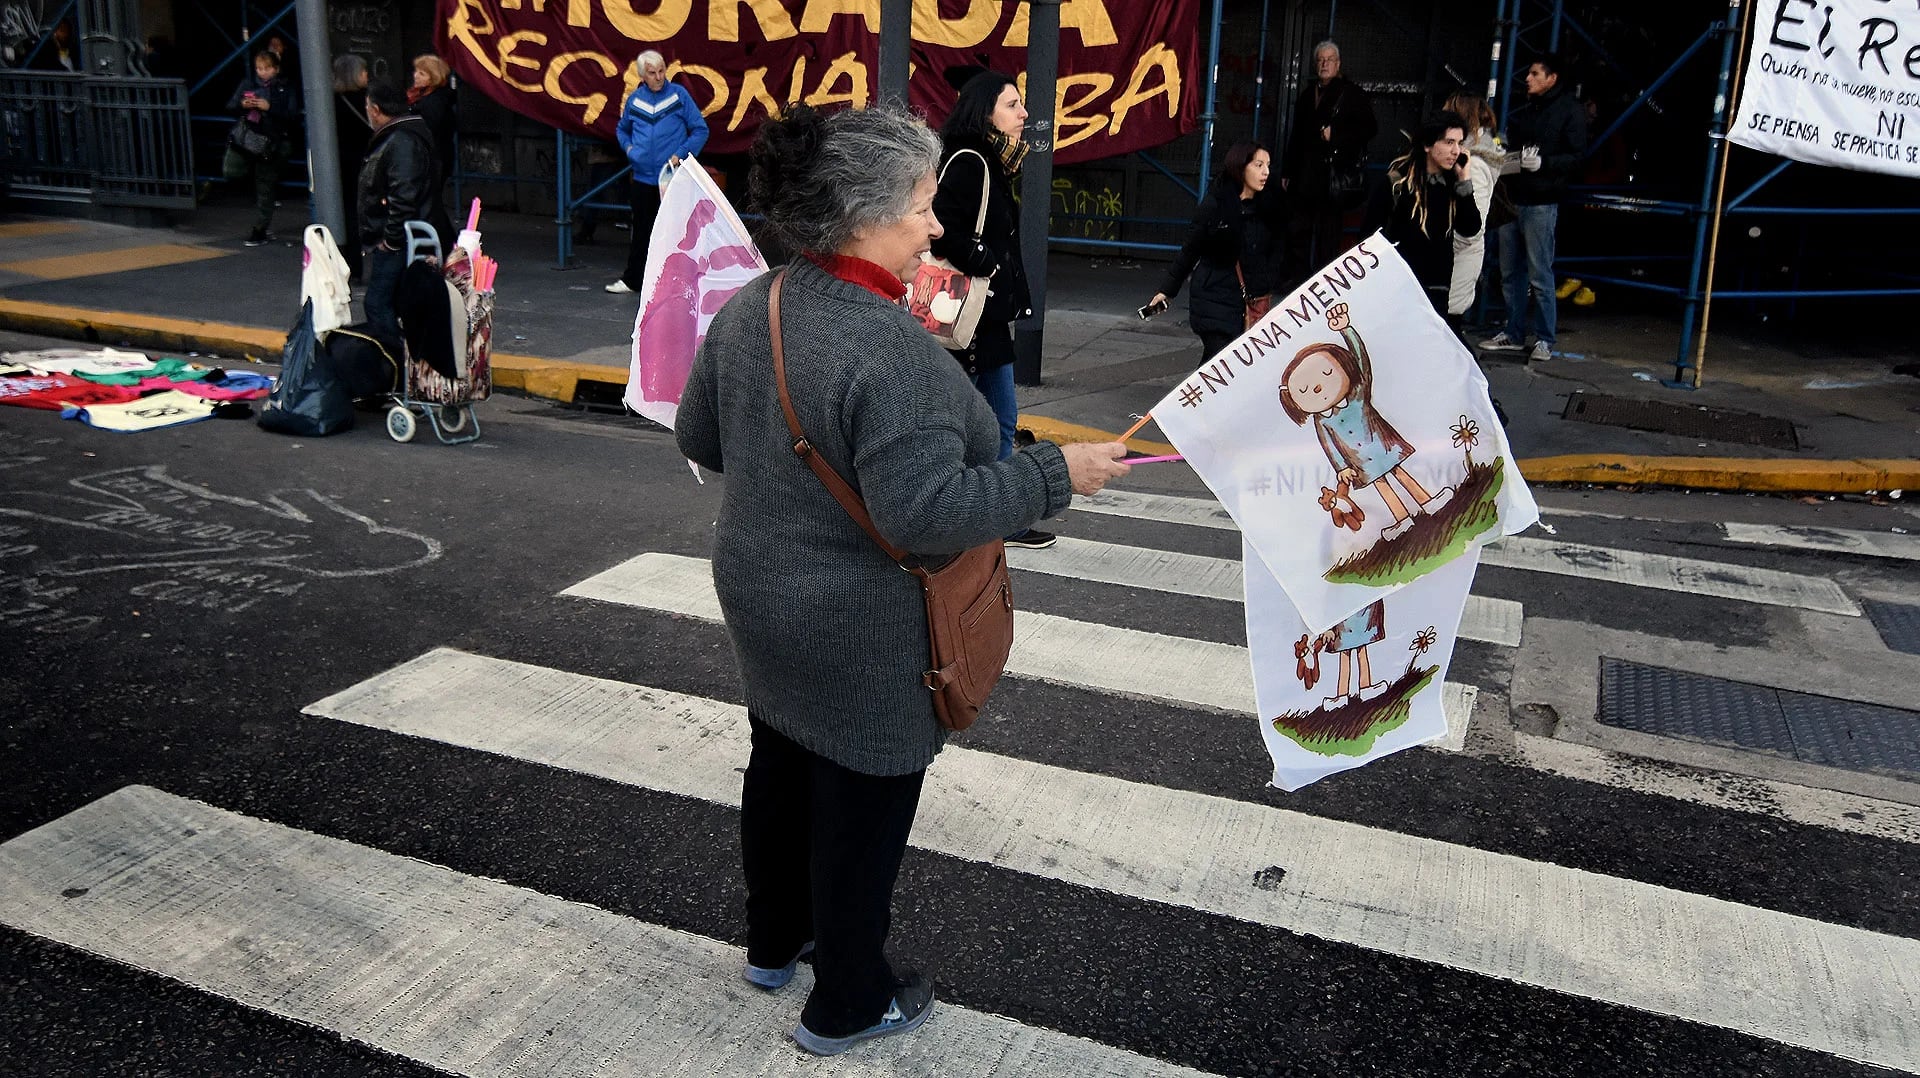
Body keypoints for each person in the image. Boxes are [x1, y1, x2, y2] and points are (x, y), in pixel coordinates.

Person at [674, 102, 1133, 1058]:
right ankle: (847, 1000)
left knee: (781, 766)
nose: (934, 224)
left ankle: (771, 945)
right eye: (923, 206)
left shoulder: (751, 303)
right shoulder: (895, 354)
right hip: (862, 628)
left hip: (760, 598)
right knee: (862, 808)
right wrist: (1059, 476)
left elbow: (699, 439)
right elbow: (925, 516)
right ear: (863, 218)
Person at [929, 69, 1052, 549]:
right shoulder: (971, 161)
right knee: (987, 422)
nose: (1024, 114)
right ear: (985, 113)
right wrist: (985, 264)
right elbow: (941, 226)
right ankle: (984, 521)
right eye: (1013, 105)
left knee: (994, 421)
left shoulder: (994, 163)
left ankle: (996, 521)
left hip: (987, 317)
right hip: (971, 318)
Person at [1480, 52, 1587, 363]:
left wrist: (1545, 164)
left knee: (1539, 274)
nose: (1528, 79)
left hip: (1541, 201)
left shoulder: (1569, 111)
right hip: (1515, 198)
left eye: (1535, 74)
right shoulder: (1530, 108)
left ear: (1551, 78)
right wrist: (1501, 151)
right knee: (1510, 272)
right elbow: (1512, 145)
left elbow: (1578, 156)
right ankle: (1514, 333)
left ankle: (1544, 339)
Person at [1149, 141, 1286, 364]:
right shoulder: (1216, 205)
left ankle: (1201, 397)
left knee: (1227, 365)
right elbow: (1190, 250)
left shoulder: (1270, 207)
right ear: (1241, 167)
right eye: (1259, 165)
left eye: (1268, 166)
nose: (1266, 172)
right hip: (1213, 296)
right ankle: (1199, 397)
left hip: (1248, 301)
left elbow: (1277, 249)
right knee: (1219, 359)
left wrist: (1268, 278)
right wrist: (1167, 291)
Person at [607, 50, 708, 294]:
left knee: (676, 233)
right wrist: (630, 150)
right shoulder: (635, 100)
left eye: (661, 70)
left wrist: (681, 154)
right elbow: (622, 130)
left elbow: (700, 130)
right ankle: (634, 280)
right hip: (642, 178)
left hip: (671, 178)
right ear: (643, 75)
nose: (659, 76)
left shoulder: (679, 96)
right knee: (641, 232)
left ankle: (678, 284)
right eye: (652, 73)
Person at [1281, 41, 1376, 284]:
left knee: (1328, 234)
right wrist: (1288, 170)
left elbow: (1370, 128)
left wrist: (1338, 135)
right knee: (1297, 230)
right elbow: (1296, 136)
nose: (1324, 64)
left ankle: (1323, 282)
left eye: (1329, 59)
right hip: (1304, 175)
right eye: (1320, 60)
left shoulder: (1351, 94)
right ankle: (1298, 280)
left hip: (1332, 176)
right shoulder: (1306, 94)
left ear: (1338, 64)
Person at [1375, 111, 1481, 325]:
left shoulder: (1453, 185)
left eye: (1459, 143)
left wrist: (1464, 181)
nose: (1456, 151)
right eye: (1449, 142)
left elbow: (1470, 228)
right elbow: (1369, 238)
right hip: (1398, 288)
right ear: (1428, 145)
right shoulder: (1397, 184)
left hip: (1437, 290)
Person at [357, 77, 437, 352]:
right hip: (401, 236)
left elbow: (403, 198)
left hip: (398, 240)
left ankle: (395, 366)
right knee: (390, 302)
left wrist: (389, 240)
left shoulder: (401, 141)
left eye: (367, 106)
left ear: (376, 109)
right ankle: (399, 366)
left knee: (377, 303)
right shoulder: (402, 135)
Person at [224, 48, 297, 246]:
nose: (262, 72)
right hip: (249, 137)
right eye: (259, 68)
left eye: (266, 68)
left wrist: (269, 107)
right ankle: (259, 215)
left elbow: (292, 114)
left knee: (265, 184)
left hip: (271, 141)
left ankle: (260, 227)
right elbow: (230, 106)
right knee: (231, 170)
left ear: (276, 69)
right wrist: (243, 104)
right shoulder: (248, 83)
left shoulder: (285, 86)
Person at [1441, 93, 1501, 323]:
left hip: (1458, 261)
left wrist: (1440, 245)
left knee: (1450, 331)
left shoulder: (1473, 165)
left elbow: (1473, 227)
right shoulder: (1467, 160)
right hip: (1456, 259)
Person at [408, 54, 458, 252]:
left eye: (422, 73)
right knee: (432, 204)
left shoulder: (432, 103)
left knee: (430, 205)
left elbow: (430, 131)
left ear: (433, 77)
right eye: (416, 72)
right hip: (436, 158)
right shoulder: (429, 99)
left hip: (432, 159)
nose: (416, 76)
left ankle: (447, 245)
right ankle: (448, 244)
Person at [332, 54, 373, 279]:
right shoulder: (366, 100)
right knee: (357, 212)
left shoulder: (330, 102)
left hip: (339, 162)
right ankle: (356, 265)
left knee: (346, 212)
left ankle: (347, 264)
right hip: (361, 161)